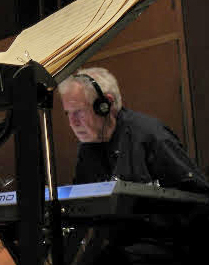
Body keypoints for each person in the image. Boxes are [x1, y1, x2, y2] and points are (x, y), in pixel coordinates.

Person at [58, 67, 209, 263]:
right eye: (68, 113)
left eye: (78, 111)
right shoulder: (88, 149)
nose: (72, 122)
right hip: (121, 247)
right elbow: (81, 208)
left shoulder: (151, 136)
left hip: (166, 247)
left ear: (106, 104)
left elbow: (199, 199)